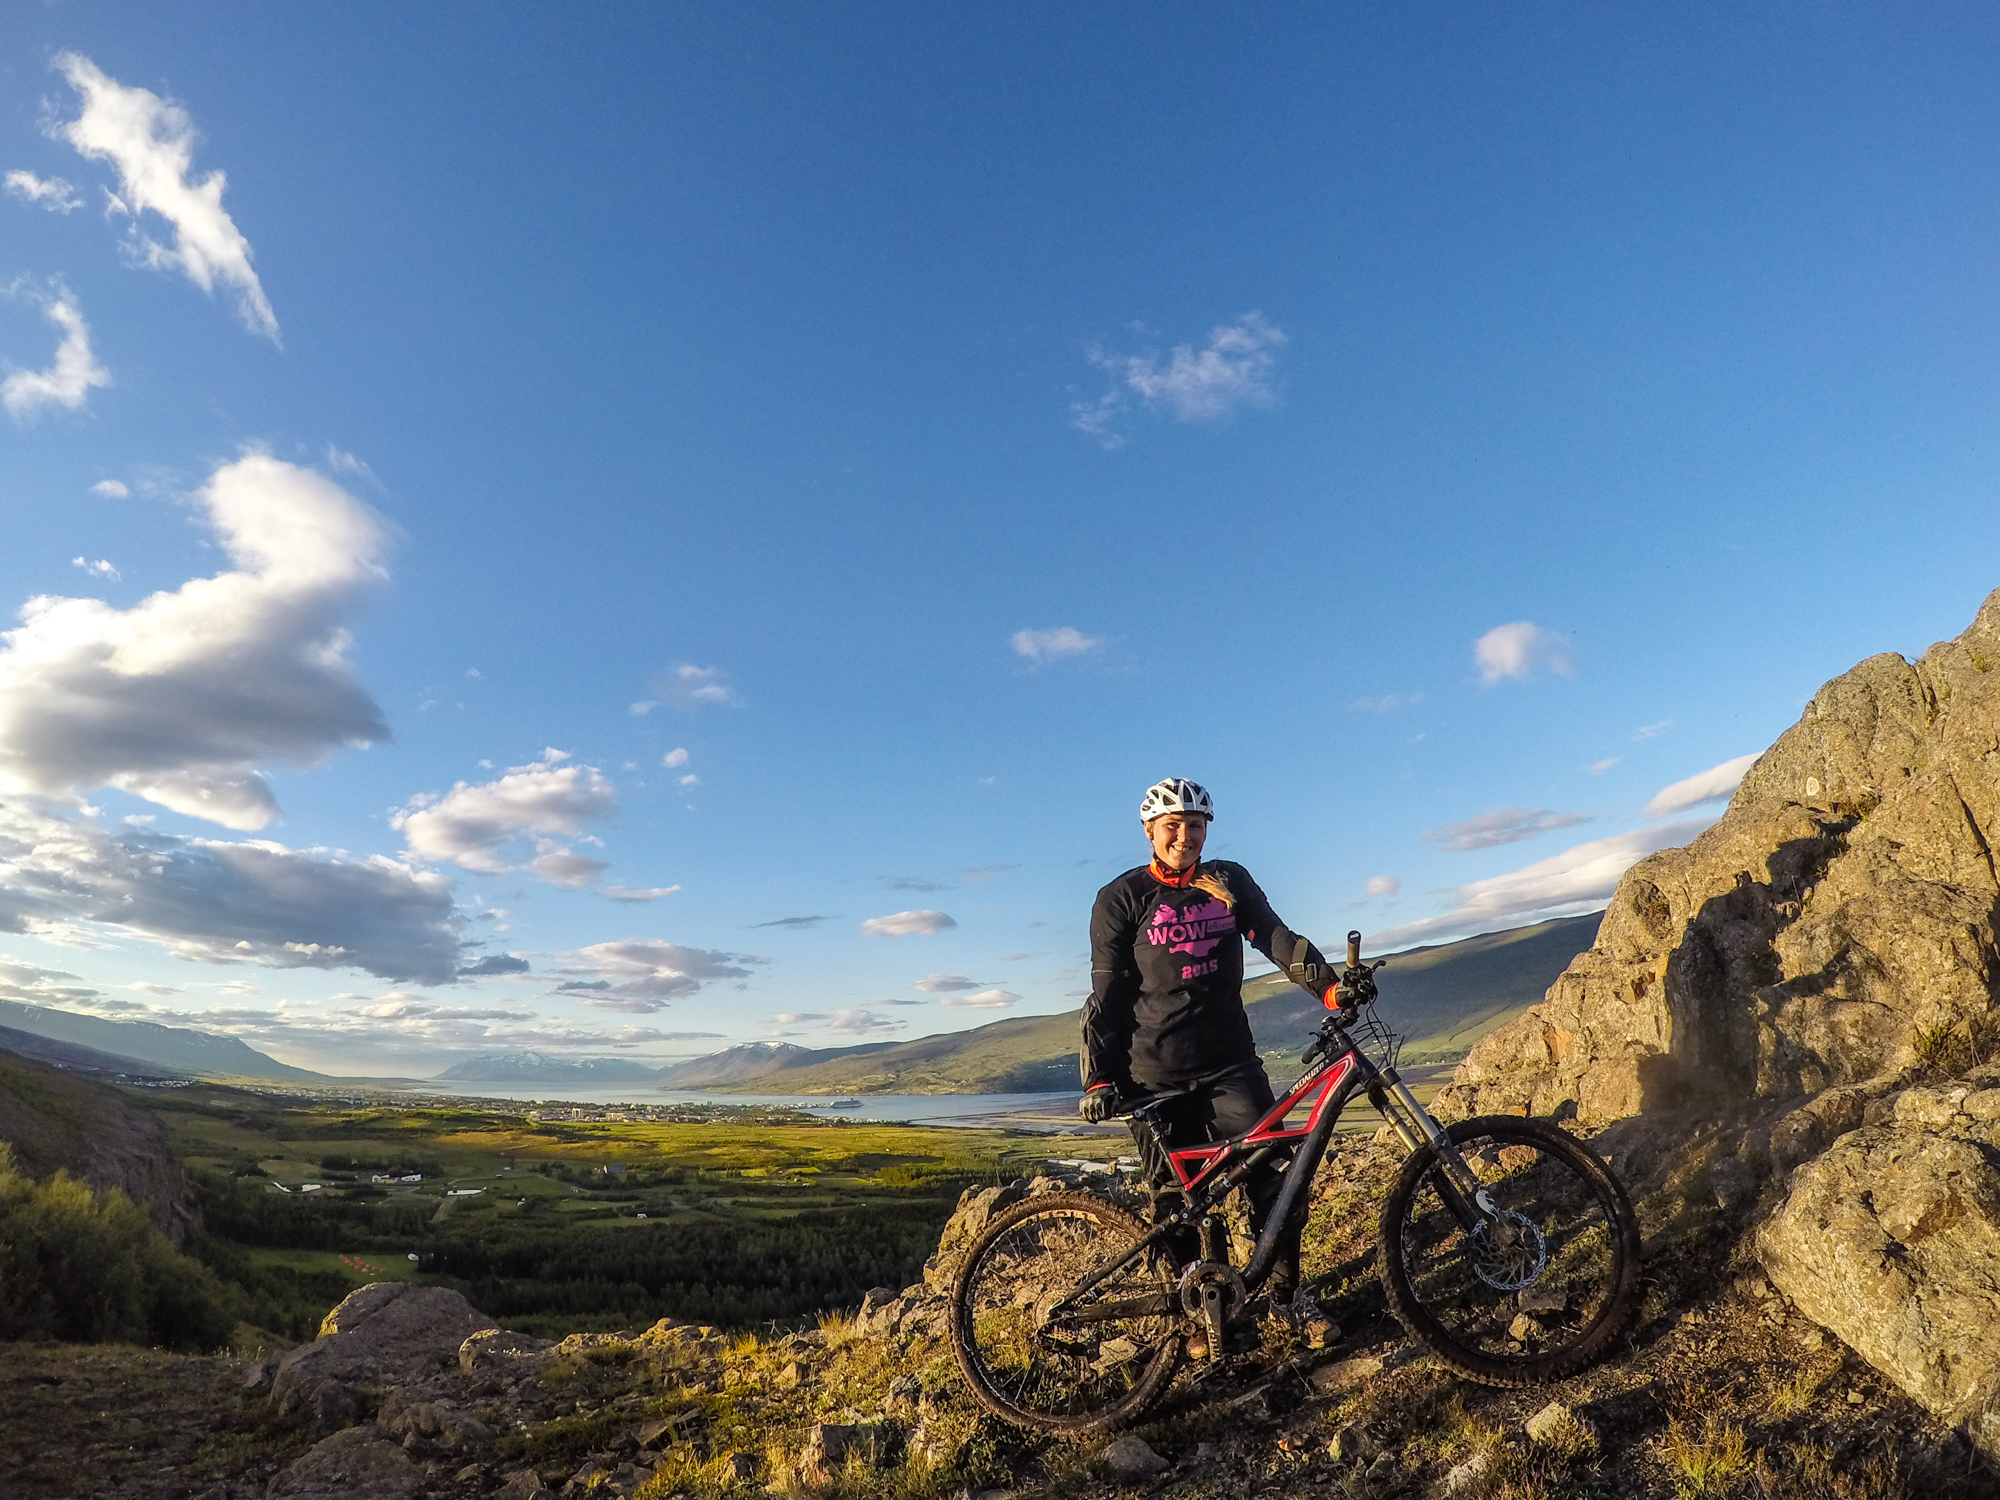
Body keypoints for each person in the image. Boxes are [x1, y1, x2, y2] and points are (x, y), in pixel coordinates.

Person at [1079, 776, 1358, 1340]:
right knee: (1174, 1204)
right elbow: (1105, 993)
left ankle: (1286, 1298)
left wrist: (1331, 990)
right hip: (1151, 1073)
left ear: (1208, 830)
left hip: (1231, 1063)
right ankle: (1193, 1318)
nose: (1184, 836)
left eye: (1195, 826)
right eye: (1172, 826)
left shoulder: (1227, 882)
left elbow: (1277, 939)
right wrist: (1097, 1077)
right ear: (1150, 832)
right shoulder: (1121, 898)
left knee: (1275, 1179)